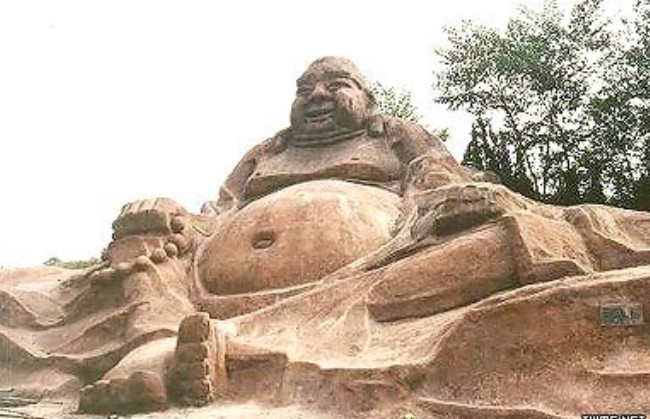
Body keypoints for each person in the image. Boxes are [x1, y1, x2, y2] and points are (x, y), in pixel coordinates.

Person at [3, 57, 650, 415]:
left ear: (367, 98)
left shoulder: (392, 137)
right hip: (207, 287)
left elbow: (440, 184)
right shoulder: (266, 152)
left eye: (334, 83)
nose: (316, 94)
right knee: (136, 258)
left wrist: (451, 203)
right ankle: (158, 345)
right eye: (304, 87)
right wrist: (164, 214)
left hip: (369, 272)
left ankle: (210, 350)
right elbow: (211, 214)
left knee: (512, 235)